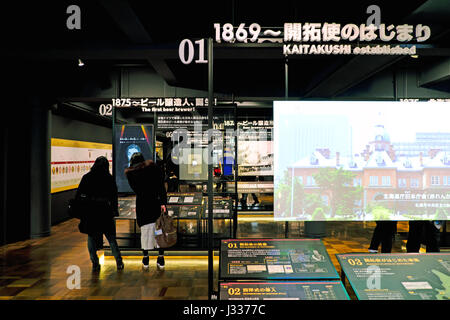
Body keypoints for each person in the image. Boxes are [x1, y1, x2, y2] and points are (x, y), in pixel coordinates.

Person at [76, 156, 124, 272]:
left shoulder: (87, 178)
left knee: (91, 237)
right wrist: (114, 210)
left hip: (91, 212)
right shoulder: (109, 178)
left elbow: (79, 195)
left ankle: (95, 263)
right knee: (111, 238)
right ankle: (118, 261)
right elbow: (114, 196)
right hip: (105, 212)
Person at [125, 152, 167, 270]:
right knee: (159, 231)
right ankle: (161, 258)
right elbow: (161, 188)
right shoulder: (155, 169)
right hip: (156, 203)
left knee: (145, 233)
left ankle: (146, 258)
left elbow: (135, 189)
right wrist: (163, 202)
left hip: (143, 205)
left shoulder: (132, 174)